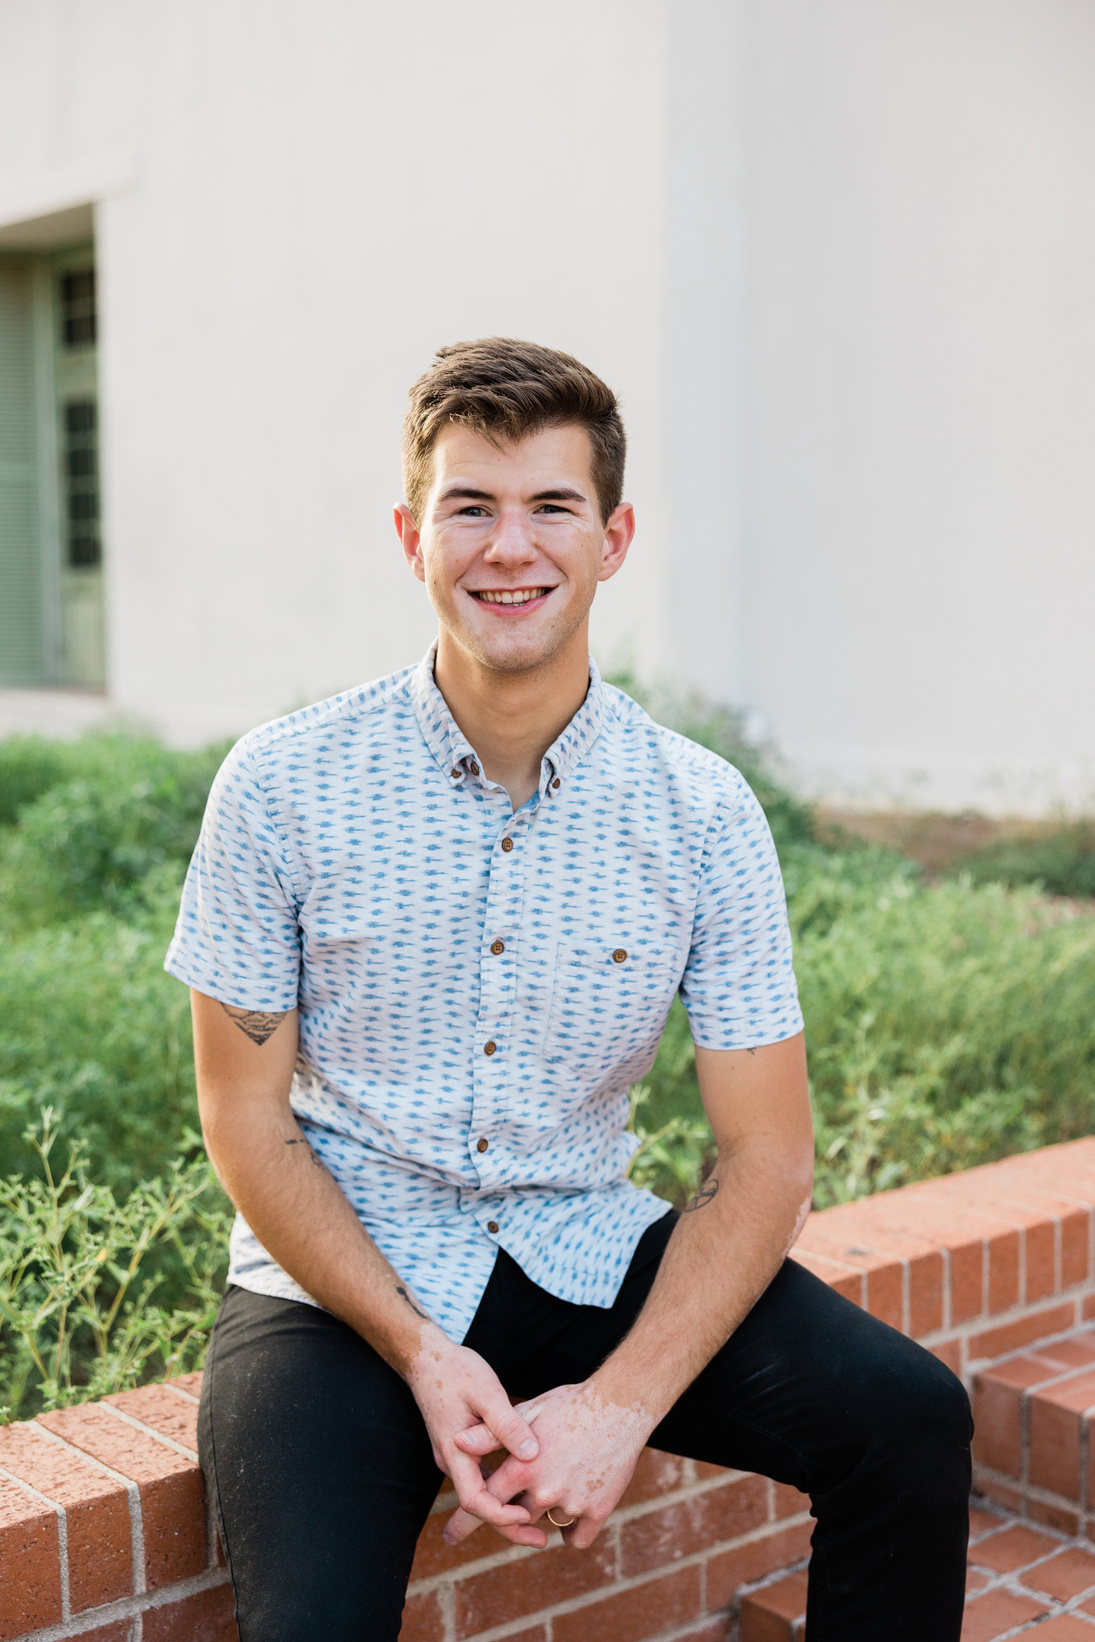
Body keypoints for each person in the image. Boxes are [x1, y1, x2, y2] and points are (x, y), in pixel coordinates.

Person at [165, 337, 972, 1642]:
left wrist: (620, 1403)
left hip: (583, 1245)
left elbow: (766, 1156)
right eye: (470, 505)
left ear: (614, 536)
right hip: (337, 1286)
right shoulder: (281, 784)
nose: (510, 547)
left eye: (552, 506)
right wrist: (422, 1352)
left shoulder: (701, 812)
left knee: (910, 1418)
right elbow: (245, 1118)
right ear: (410, 535)